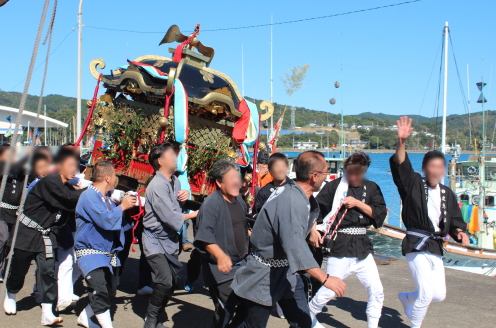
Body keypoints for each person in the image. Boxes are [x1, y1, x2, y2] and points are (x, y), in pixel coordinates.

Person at [231, 150, 346, 328]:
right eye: (325, 172)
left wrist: (312, 229)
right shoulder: (292, 200)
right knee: (252, 325)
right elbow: (295, 246)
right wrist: (325, 278)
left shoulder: (295, 191)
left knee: (302, 323)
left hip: (287, 272)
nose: (326, 177)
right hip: (264, 272)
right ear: (314, 176)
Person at [390, 116, 469, 328]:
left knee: (438, 295)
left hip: (435, 246)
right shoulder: (413, 184)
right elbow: (401, 164)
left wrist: (460, 232)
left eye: (440, 167)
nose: (435, 170)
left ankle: (407, 298)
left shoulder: (447, 193)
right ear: (424, 168)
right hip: (416, 244)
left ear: (444, 170)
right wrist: (402, 142)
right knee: (425, 294)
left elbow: (454, 220)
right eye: (431, 166)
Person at [3, 148, 84, 325]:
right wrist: (87, 190)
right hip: (27, 231)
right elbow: (68, 199)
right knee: (19, 267)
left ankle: (47, 310)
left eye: (75, 166)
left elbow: (71, 201)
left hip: (46, 235)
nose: (73, 170)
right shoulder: (51, 182)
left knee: (47, 270)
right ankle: (11, 293)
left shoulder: (67, 185)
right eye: (70, 165)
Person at [309, 152, 387, 328]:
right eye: (351, 172)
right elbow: (315, 209)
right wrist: (313, 230)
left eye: (358, 173)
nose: (354, 176)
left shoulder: (372, 187)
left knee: (376, 290)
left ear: (365, 170)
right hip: (340, 244)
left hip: (362, 246)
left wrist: (358, 203)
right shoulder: (335, 187)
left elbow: (378, 214)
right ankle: (309, 314)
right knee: (329, 290)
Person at [75, 161, 137, 328]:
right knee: (100, 290)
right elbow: (105, 220)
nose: (116, 179)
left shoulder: (106, 199)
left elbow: (117, 224)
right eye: (115, 175)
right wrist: (122, 207)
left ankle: (85, 317)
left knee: (109, 292)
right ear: (108, 178)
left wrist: (131, 211)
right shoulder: (88, 196)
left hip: (105, 253)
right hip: (89, 251)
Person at [142, 143, 198, 328]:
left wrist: (184, 194)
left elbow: (176, 206)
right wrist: (193, 214)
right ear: (160, 161)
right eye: (171, 154)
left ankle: (157, 314)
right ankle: (151, 318)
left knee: (172, 282)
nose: (175, 157)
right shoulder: (157, 184)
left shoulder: (176, 181)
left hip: (170, 240)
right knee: (165, 281)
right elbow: (170, 216)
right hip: (154, 240)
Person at [194, 160, 249, 327]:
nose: (236, 181)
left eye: (237, 177)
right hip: (220, 270)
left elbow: (242, 226)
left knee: (249, 305)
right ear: (219, 182)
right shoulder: (212, 203)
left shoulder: (239, 199)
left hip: (242, 264)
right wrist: (220, 255)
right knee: (225, 310)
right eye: (231, 177)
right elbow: (204, 235)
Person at [0, 145, 25, 283]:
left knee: (9, 243)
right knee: (2, 238)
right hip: (1, 210)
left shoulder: (19, 171)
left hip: (14, 211)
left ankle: (1, 267)